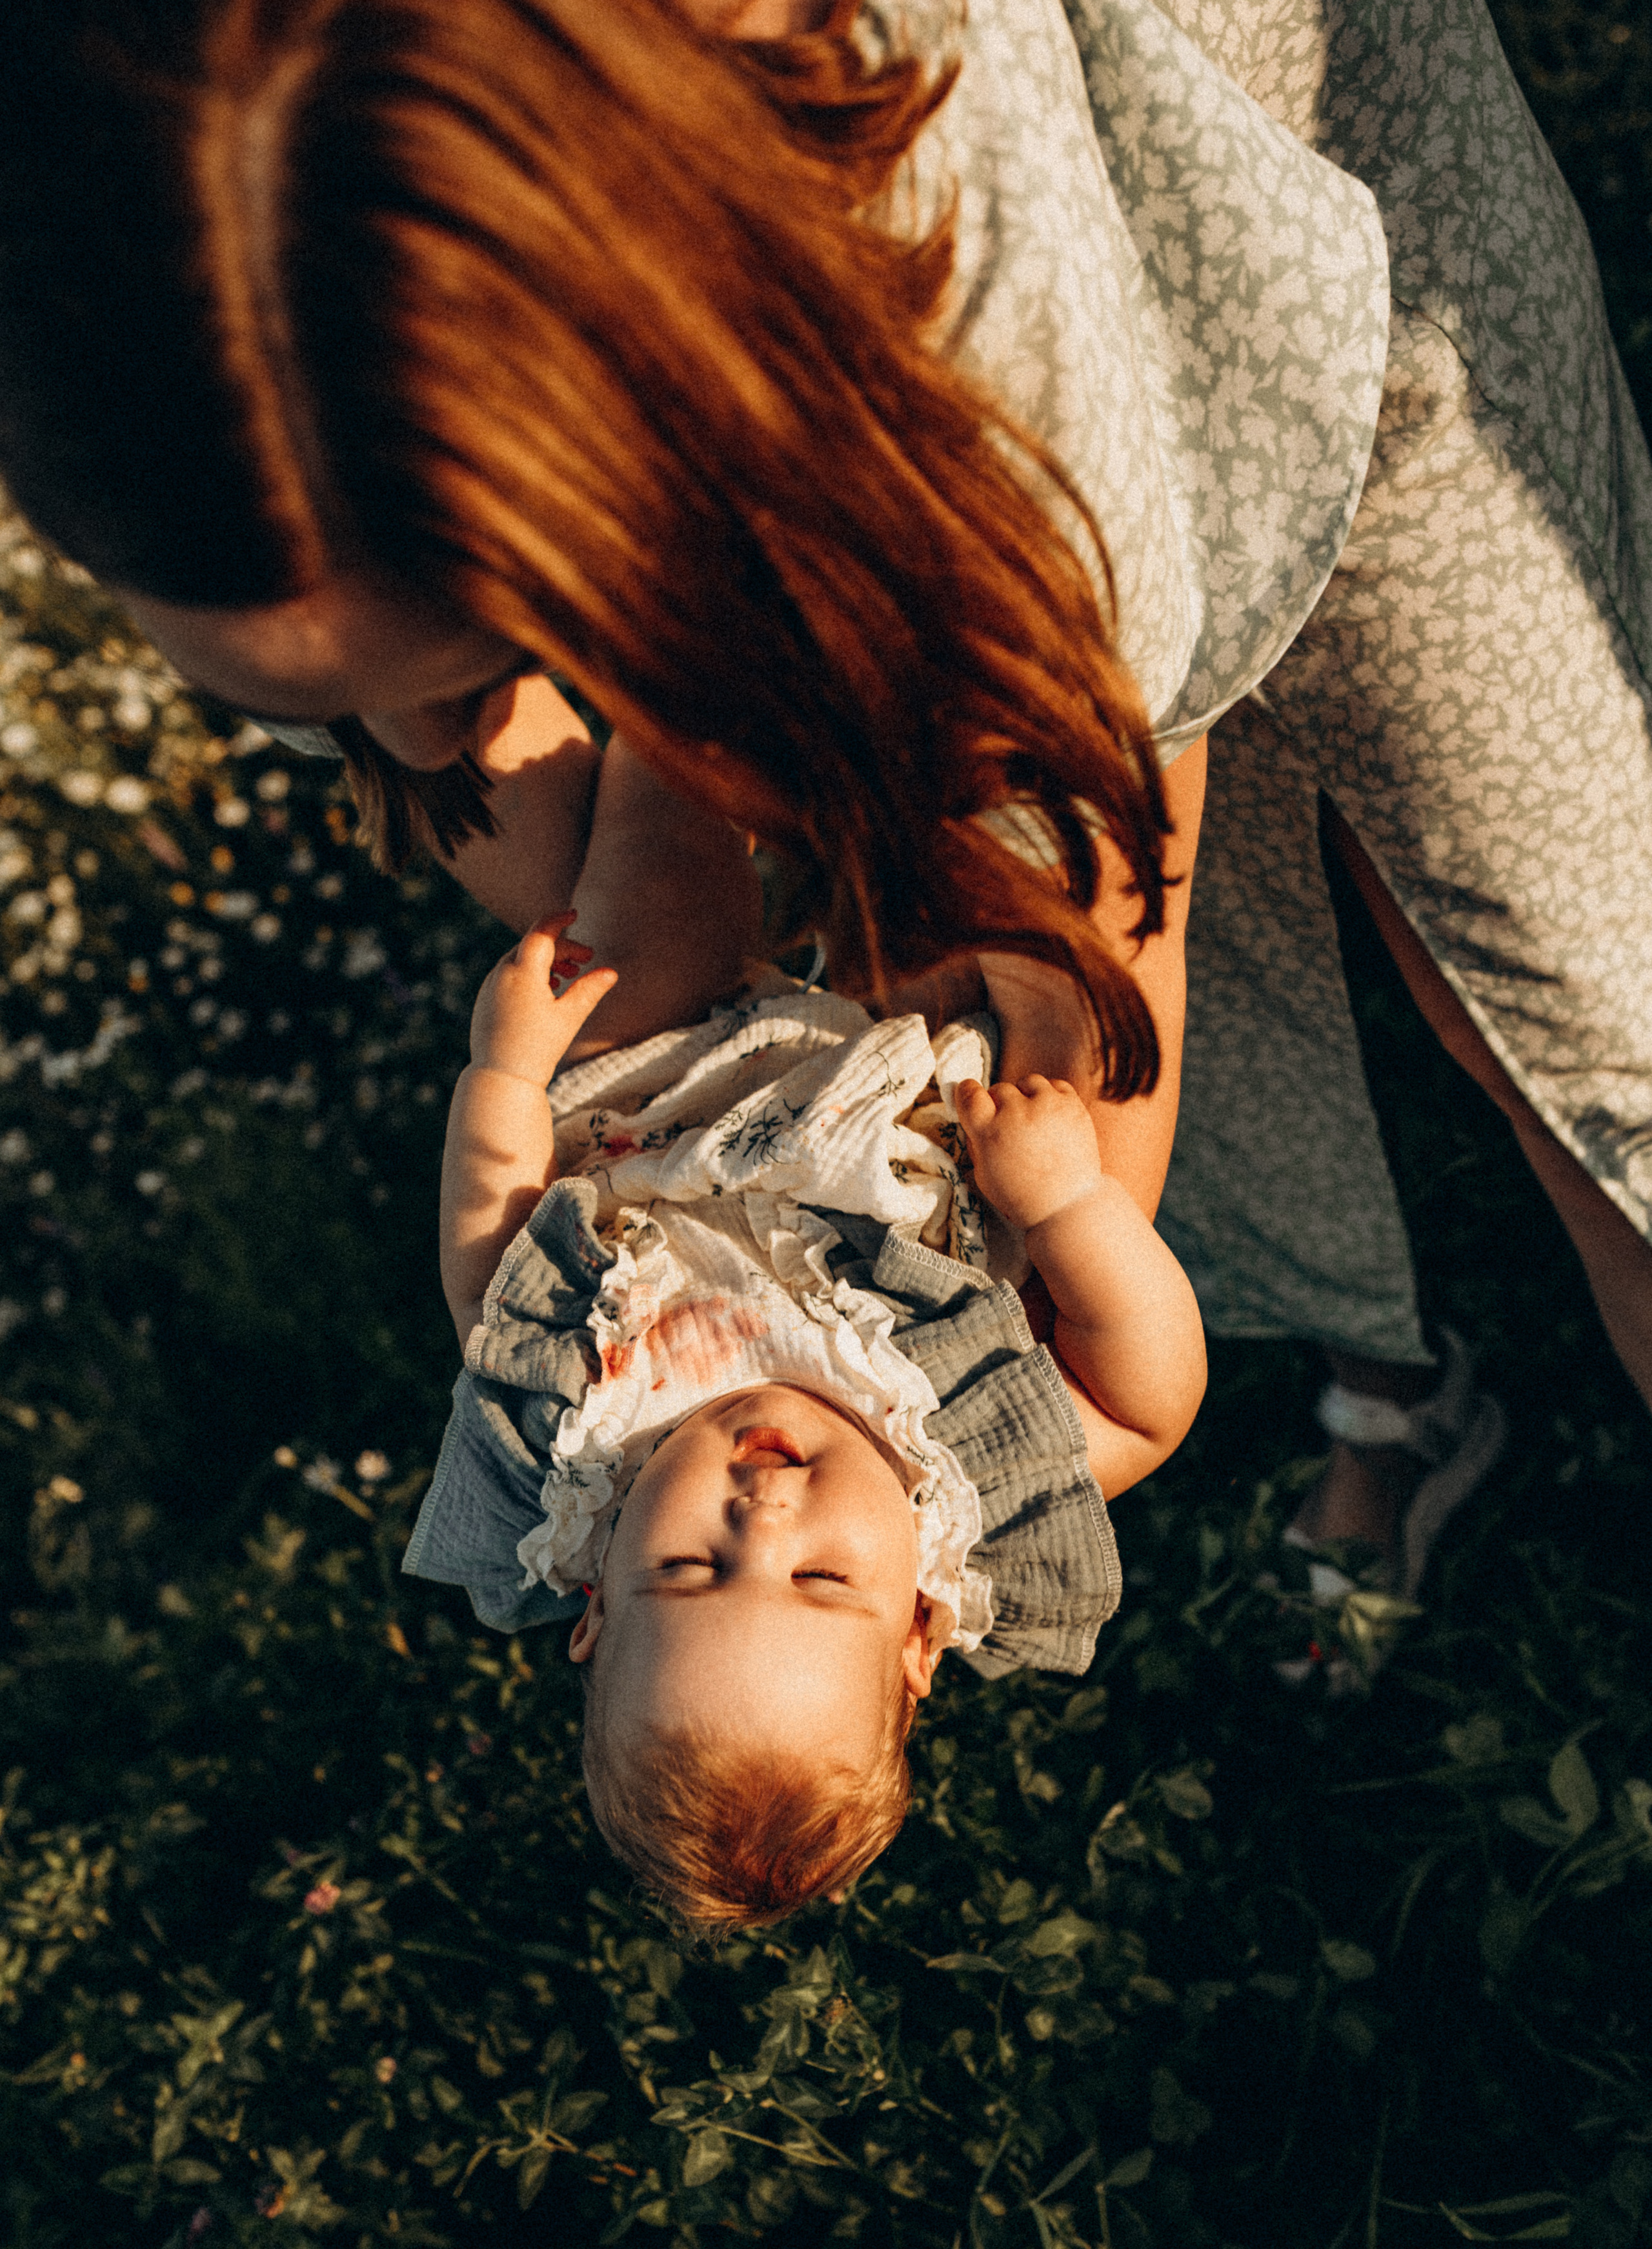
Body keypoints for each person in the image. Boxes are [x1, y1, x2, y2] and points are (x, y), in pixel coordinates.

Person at [0, 0, 1646, 1604]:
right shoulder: (165, 207)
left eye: (501, 648)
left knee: (1557, 977)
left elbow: (1098, 878)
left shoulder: (944, 239)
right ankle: (1381, 1366)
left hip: (1218, 202)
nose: (420, 746)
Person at [403, 790, 1204, 1926]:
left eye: (688, 1569)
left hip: (677, 1091)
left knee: (639, 925)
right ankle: (1088, 833)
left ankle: (672, 734)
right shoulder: (965, 1495)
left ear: (592, 1602)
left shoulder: (571, 1437)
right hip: (953, 1132)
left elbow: (484, 1261)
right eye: (824, 1581)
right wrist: (1072, 1204)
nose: (763, 1519)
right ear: (921, 1627)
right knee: (1102, 1081)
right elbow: (1146, 1408)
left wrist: (506, 1078)